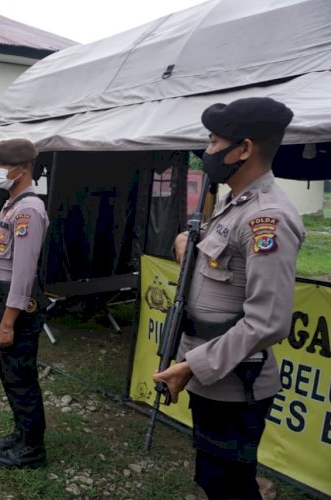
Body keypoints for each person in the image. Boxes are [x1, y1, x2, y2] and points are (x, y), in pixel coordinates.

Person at [153, 97, 304, 499]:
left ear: (245, 148)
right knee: (213, 477)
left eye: (216, 141)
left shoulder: (266, 219)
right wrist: (190, 245)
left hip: (234, 384)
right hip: (210, 375)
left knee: (230, 487)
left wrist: (191, 367)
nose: (208, 152)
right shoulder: (231, 203)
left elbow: (267, 322)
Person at [0, 138, 49, 469]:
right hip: (2, 296)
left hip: (16, 304)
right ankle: (21, 432)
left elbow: (23, 275)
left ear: (23, 168)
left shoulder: (29, 211)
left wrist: (7, 322)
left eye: (4, 165)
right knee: (8, 371)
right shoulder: (12, 204)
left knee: (21, 374)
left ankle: (33, 447)